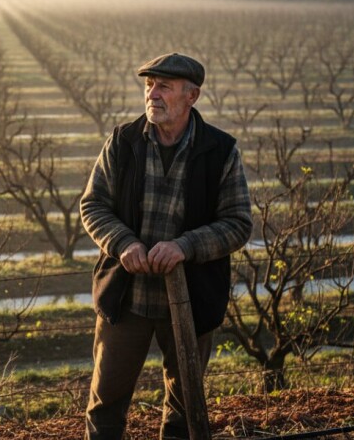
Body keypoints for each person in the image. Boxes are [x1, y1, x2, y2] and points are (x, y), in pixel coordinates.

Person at [80, 52, 253, 439]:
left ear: (191, 96)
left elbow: (238, 223)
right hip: (127, 299)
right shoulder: (123, 141)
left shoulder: (220, 151)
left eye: (164, 86)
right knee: (105, 406)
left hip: (192, 302)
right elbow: (92, 205)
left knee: (183, 409)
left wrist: (186, 246)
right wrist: (122, 243)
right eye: (148, 85)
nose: (152, 94)